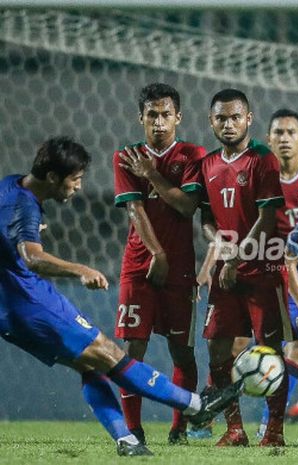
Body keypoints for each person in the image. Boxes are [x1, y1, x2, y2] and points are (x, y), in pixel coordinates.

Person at [0, 137, 240, 456]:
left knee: (88, 365)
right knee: (109, 351)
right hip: (27, 300)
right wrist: (79, 270)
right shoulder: (26, 205)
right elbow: (32, 257)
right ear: (54, 178)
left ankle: (126, 440)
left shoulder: (9, 185)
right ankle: (196, 406)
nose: (78, 187)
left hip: (6, 310)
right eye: (75, 179)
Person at [197, 89, 290, 447]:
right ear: (211, 121)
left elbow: (268, 217)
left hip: (263, 269)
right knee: (218, 350)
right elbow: (205, 218)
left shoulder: (262, 159)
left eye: (236, 117)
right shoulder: (207, 165)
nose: (229, 124)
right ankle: (234, 429)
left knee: (269, 350)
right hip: (226, 272)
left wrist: (236, 258)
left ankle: (275, 432)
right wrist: (220, 246)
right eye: (221, 118)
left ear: (249, 119)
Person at [113, 83, 205, 445]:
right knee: (132, 348)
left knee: (182, 351)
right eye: (152, 115)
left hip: (181, 269)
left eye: (166, 114)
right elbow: (135, 209)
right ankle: (132, 430)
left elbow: (186, 206)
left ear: (178, 117)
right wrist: (157, 253)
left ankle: (177, 428)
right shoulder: (125, 156)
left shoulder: (192, 155)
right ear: (141, 118)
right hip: (139, 265)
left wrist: (151, 173)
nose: (160, 122)